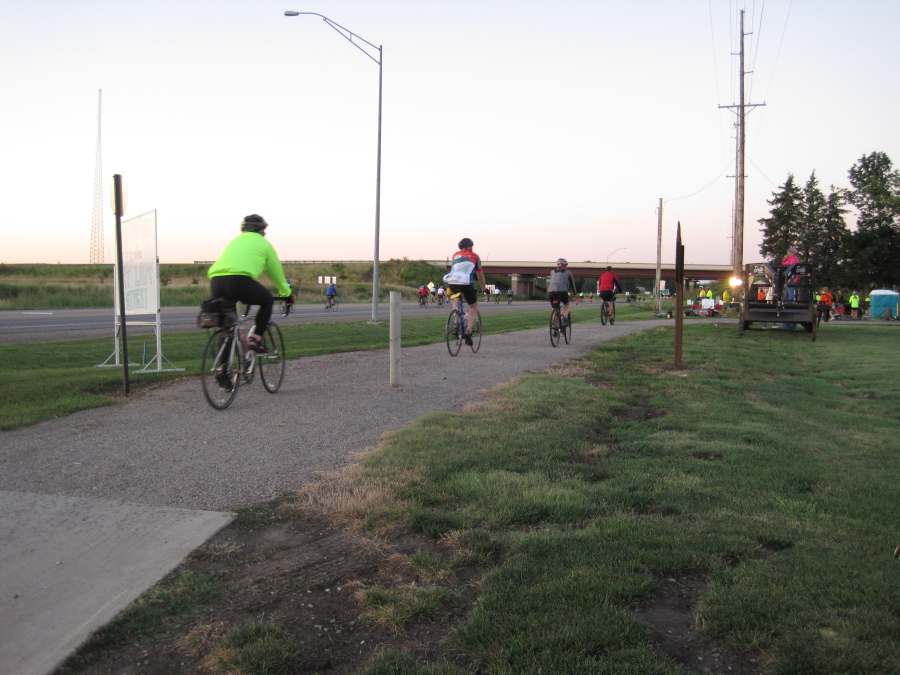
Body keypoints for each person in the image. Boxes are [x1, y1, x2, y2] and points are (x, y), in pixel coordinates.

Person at [207, 214, 294, 351]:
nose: (265, 233)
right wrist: (286, 293)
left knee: (228, 327)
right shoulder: (264, 244)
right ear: (259, 230)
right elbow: (275, 272)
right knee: (267, 301)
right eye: (264, 230)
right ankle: (256, 338)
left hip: (216, 281)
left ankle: (222, 369)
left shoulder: (235, 241)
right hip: (239, 281)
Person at [443, 237, 487, 345]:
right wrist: (483, 288)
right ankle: (468, 332)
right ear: (469, 246)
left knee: (455, 300)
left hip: (452, 282)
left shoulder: (455, 255)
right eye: (472, 246)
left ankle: (455, 322)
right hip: (466, 282)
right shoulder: (475, 256)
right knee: (473, 306)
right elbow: (480, 274)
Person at [547, 258, 577, 326]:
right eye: (566, 265)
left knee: (555, 308)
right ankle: (565, 317)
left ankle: (555, 327)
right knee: (567, 305)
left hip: (551, 292)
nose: (566, 266)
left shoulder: (552, 271)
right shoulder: (568, 272)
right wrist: (575, 293)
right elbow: (573, 284)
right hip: (562, 292)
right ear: (564, 265)